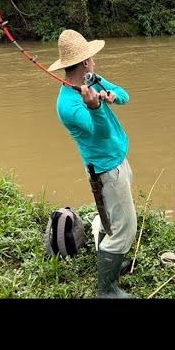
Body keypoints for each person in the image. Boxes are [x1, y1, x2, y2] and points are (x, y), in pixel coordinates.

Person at [48, 29, 136, 298]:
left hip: (119, 159)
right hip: (106, 169)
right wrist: (96, 109)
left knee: (112, 216)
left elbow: (126, 95)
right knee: (126, 227)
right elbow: (101, 134)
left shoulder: (92, 81)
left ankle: (112, 259)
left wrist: (110, 95)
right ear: (85, 62)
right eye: (92, 57)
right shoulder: (68, 106)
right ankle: (106, 290)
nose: (95, 61)